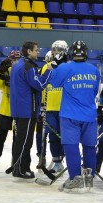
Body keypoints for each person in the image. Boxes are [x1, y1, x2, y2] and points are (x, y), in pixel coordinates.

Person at [48, 40, 100, 192]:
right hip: (90, 115)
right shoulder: (94, 69)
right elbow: (95, 90)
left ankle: (75, 178)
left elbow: (54, 83)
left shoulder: (65, 67)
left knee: (71, 147)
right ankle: (89, 177)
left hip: (70, 115)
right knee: (90, 147)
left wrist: (55, 66)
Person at [9, 41, 51, 180]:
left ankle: (21, 167)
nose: (38, 52)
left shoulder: (18, 65)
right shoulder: (28, 67)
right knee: (25, 141)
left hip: (19, 109)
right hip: (26, 110)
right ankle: (20, 169)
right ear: (29, 52)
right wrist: (49, 70)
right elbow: (41, 84)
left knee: (20, 140)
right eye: (36, 50)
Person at [0, 50, 21, 170]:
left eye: (17, 59)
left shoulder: (23, 70)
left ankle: (15, 161)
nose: (14, 62)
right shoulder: (5, 69)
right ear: (9, 60)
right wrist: (1, 72)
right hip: (6, 109)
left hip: (19, 111)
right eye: (12, 59)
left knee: (17, 139)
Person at [44, 40, 69, 173]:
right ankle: (56, 161)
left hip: (64, 107)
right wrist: (41, 105)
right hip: (50, 108)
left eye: (59, 49)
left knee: (66, 136)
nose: (56, 52)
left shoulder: (68, 67)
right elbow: (42, 85)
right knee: (53, 137)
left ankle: (64, 159)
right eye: (54, 49)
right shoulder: (47, 66)